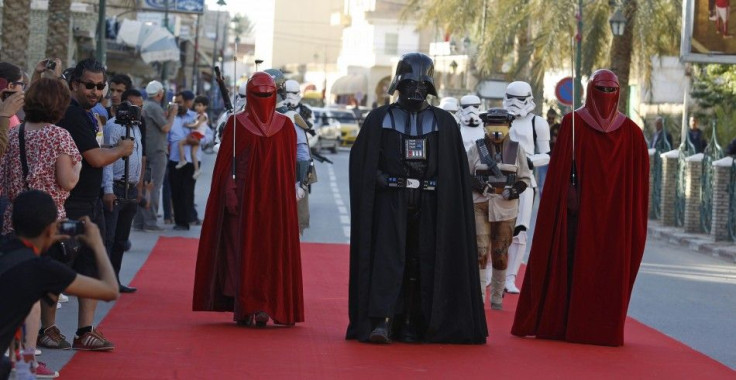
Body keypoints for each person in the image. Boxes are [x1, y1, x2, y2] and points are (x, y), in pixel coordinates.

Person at [347, 52, 486, 344]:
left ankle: (416, 322)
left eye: (422, 84)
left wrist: (441, 187)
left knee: (422, 262)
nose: (416, 90)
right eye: (410, 83)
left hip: (431, 205)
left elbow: (454, 171)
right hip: (391, 203)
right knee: (388, 260)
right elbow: (363, 164)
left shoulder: (444, 123)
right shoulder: (380, 119)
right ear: (399, 83)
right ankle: (382, 320)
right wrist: (379, 179)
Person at [511, 69, 649, 347]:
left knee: (607, 271)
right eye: (602, 90)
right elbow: (559, 174)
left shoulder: (632, 133)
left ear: (619, 92)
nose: (606, 97)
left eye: (611, 91)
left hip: (614, 222)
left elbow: (638, 189)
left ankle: (601, 327)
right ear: (590, 91)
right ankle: (565, 321)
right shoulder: (574, 124)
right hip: (577, 218)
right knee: (573, 265)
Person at [192, 72, 304, 327]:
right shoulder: (235, 124)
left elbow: (288, 167)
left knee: (270, 252)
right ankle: (243, 304)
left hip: (274, 201)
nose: (263, 99)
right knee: (239, 251)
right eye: (258, 95)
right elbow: (225, 165)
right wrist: (229, 190)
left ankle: (265, 304)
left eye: (267, 95)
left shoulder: (286, 127)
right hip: (242, 200)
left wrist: (294, 191)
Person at [37, 58, 133, 352]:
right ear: (74, 84)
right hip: (71, 205)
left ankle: (85, 330)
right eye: (89, 85)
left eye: (100, 86)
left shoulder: (89, 115)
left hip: (89, 204)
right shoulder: (74, 114)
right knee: (59, 261)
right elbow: (94, 158)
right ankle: (47, 328)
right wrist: (121, 150)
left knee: (90, 264)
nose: (95, 91)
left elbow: (92, 153)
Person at [0, 78, 81, 378]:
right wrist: (79, 166)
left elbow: (4, 182)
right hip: (46, 222)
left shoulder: (15, 131)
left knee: (14, 288)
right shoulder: (59, 136)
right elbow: (67, 181)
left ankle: (14, 355)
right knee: (32, 294)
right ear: (59, 104)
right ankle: (27, 361)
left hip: (14, 218)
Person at [0, 190, 119, 379]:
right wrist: (96, 244)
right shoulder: (42, 269)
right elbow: (111, 290)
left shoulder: (8, 252)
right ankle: (26, 369)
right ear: (50, 229)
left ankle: (26, 368)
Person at [467, 108, 532, 310]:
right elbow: (465, 173)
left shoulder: (516, 149)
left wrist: (513, 192)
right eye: (493, 124)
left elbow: (525, 179)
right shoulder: (476, 149)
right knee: (480, 249)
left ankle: (496, 298)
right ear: (485, 126)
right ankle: (479, 298)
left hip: (506, 209)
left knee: (500, 252)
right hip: (480, 204)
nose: (497, 128)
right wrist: (480, 186)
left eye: (502, 124)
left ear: (509, 126)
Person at [502, 81, 550, 294]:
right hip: (498, 182)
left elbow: (547, 154)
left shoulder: (537, 123)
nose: (515, 104)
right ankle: (491, 275)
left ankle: (510, 277)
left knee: (520, 232)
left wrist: (529, 161)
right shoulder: (497, 118)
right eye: (511, 98)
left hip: (526, 183)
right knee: (493, 230)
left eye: (520, 100)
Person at [102, 90, 146, 294]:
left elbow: (139, 157)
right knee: (109, 238)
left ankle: (115, 279)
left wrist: (139, 186)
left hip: (130, 188)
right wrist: (108, 190)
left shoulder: (137, 127)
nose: (138, 111)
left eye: (141, 107)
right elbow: (107, 160)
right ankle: (104, 281)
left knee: (121, 240)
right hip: (116, 186)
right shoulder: (114, 125)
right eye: (134, 106)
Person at [135, 80, 176, 231]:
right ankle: (150, 222)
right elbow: (165, 127)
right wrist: (172, 114)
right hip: (157, 151)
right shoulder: (154, 107)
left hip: (145, 150)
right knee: (153, 187)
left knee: (142, 185)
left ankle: (139, 222)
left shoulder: (145, 105)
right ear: (160, 94)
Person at [168, 91, 211, 231]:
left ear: (187, 102)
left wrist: (199, 140)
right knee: (175, 191)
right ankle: (180, 221)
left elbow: (208, 136)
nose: (177, 105)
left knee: (187, 190)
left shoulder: (196, 116)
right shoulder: (170, 118)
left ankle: (188, 219)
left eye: (180, 102)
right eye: (175, 102)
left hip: (192, 161)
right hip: (175, 159)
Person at [282, 79, 315, 234]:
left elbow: (305, 145)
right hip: (277, 164)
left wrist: (301, 181)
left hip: (297, 160)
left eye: (293, 93)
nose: (290, 96)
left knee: (298, 208)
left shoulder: (303, 113)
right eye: (286, 92)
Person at [175, 95, 209, 180]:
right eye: (196, 105)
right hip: (197, 135)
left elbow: (196, 126)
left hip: (196, 135)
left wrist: (187, 125)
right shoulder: (198, 115)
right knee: (193, 154)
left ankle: (182, 160)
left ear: (205, 107)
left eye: (200, 105)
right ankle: (197, 170)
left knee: (180, 143)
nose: (197, 107)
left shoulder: (202, 116)